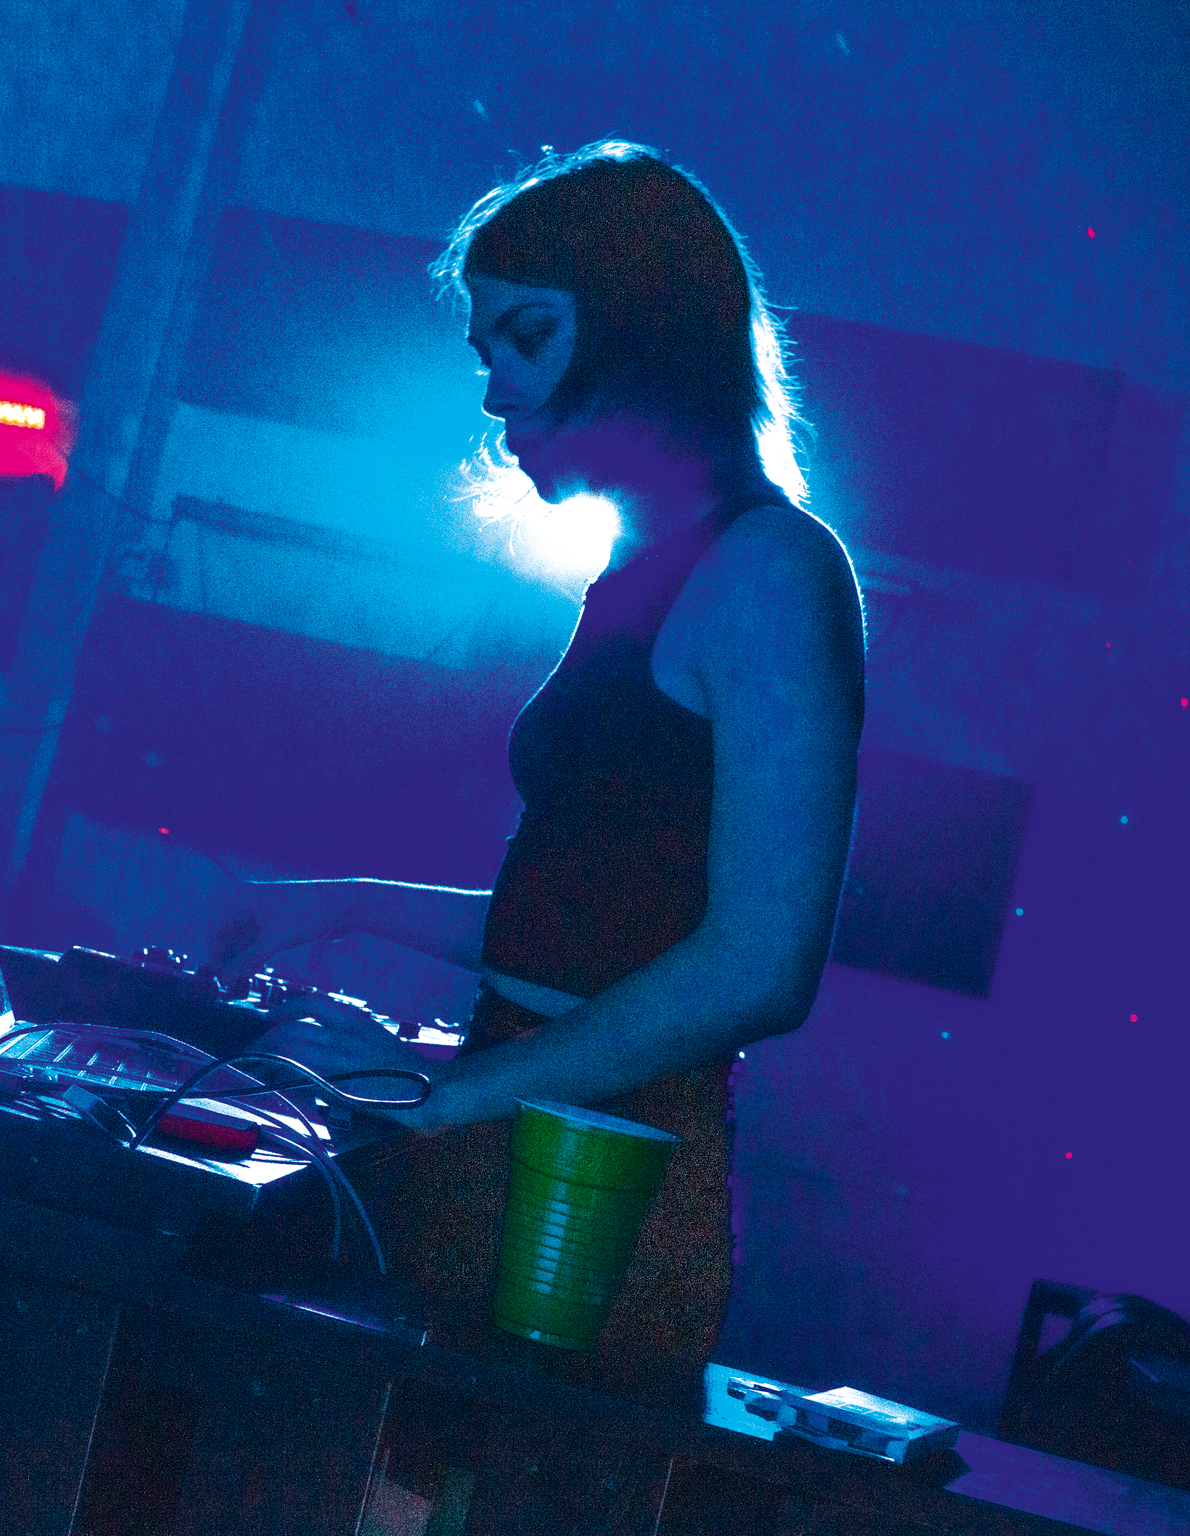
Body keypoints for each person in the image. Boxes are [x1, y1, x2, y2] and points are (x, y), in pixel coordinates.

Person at [212, 143, 865, 1406]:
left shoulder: (774, 569)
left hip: (606, 1165)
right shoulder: (646, 566)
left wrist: (457, 1099)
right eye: (486, 351)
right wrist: (339, 901)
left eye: (529, 335)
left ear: (647, 328)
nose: (500, 392)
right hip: (529, 1125)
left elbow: (761, 965)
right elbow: (595, 930)